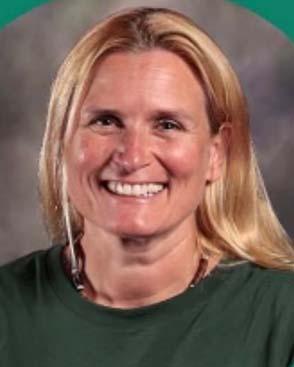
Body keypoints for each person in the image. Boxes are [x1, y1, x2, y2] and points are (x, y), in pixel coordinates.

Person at [0, 6, 293, 366]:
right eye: (106, 121)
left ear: (217, 154)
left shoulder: (283, 318)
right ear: (62, 142)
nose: (133, 156)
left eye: (167, 125)